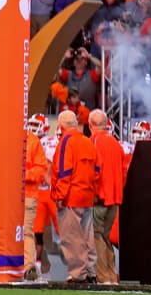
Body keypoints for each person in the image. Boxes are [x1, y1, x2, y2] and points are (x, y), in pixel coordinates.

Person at [51, 110, 98, 283]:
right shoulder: (87, 141)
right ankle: (91, 271)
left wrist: (60, 196)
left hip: (71, 197)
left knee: (71, 237)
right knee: (87, 236)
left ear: (61, 126)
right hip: (87, 196)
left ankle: (78, 274)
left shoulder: (66, 142)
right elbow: (97, 169)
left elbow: (64, 171)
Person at [88, 108, 124, 284]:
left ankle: (104, 277)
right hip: (115, 198)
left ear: (90, 125)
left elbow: (93, 171)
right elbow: (123, 172)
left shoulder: (93, 142)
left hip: (100, 198)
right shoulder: (116, 144)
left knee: (97, 236)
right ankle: (111, 274)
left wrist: (93, 193)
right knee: (105, 236)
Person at [23, 114, 50, 281]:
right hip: (7, 195)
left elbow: (41, 169)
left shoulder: (33, 141)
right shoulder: (5, 138)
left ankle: (29, 267)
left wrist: (22, 175)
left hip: (28, 193)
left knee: (28, 231)